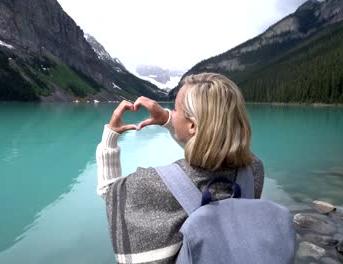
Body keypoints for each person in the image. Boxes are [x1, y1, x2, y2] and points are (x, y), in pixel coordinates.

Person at [96, 73, 264, 264]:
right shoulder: (253, 171)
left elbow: (111, 193)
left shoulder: (153, 184)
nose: (171, 113)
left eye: (175, 109)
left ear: (192, 125)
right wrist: (169, 120)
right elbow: (209, 150)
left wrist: (110, 138)